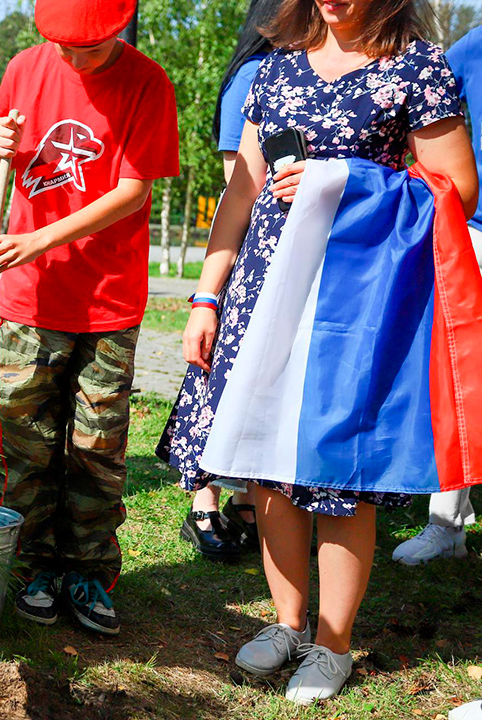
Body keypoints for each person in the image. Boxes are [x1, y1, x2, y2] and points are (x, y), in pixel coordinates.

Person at [157, 0, 477, 704]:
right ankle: (287, 623)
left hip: (351, 302)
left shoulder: (417, 68)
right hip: (264, 288)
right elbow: (240, 192)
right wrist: (208, 296)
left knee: (339, 472)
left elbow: (457, 188)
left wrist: (348, 179)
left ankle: (332, 645)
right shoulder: (273, 70)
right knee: (264, 465)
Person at [0, 0, 179, 636]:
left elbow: (132, 191)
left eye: (87, 49)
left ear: (119, 27)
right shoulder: (22, 68)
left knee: (96, 448)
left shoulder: (147, 83)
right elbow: (6, 151)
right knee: (26, 443)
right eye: (60, 45)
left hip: (106, 301)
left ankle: (89, 571)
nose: (70, 58)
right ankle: (31, 565)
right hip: (30, 299)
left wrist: (40, 240)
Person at [181, 0, 283, 563]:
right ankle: (203, 502)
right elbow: (236, 184)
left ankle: (248, 503)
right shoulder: (253, 75)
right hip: (250, 255)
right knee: (217, 379)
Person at [392, 25, 482, 568]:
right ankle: (447, 523)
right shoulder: (471, 47)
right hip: (476, 232)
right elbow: (414, 116)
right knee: (459, 376)